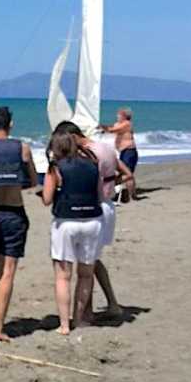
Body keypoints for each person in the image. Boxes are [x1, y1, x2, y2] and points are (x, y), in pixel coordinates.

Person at [54, 121, 134, 321]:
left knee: (87, 263)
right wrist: (111, 184)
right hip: (106, 205)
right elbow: (127, 173)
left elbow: (86, 182)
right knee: (91, 260)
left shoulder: (88, 154)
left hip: (93, 208)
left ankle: (90, 310)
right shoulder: (105, 148)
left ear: (71, 136)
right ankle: (103, 305)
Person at [0, 106, 37, 341]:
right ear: (10, 124)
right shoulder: (22, 147)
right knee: (7, 272)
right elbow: (32, 180)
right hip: (13, 211)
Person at [41, 131, 102, 334]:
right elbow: (100, 195)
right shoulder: (93, 164)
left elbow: (47, 199)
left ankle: (64, 325)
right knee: (85, 274)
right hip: (92, 220)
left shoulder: (56, 168)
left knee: (63, 276)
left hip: (66, 221)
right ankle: (78, 318)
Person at [100, 107, 138, 200]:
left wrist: (102, 126)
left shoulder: (127, 124)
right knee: (124, 173)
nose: (117, 116)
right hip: (123, 152)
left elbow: (113, 130)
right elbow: (112, 129)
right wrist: (103, 129)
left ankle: (131, 195)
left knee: (127, 173)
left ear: (124, 116)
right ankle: (130, 193)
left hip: (129, 151)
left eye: (119, 114)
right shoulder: (118, 124)